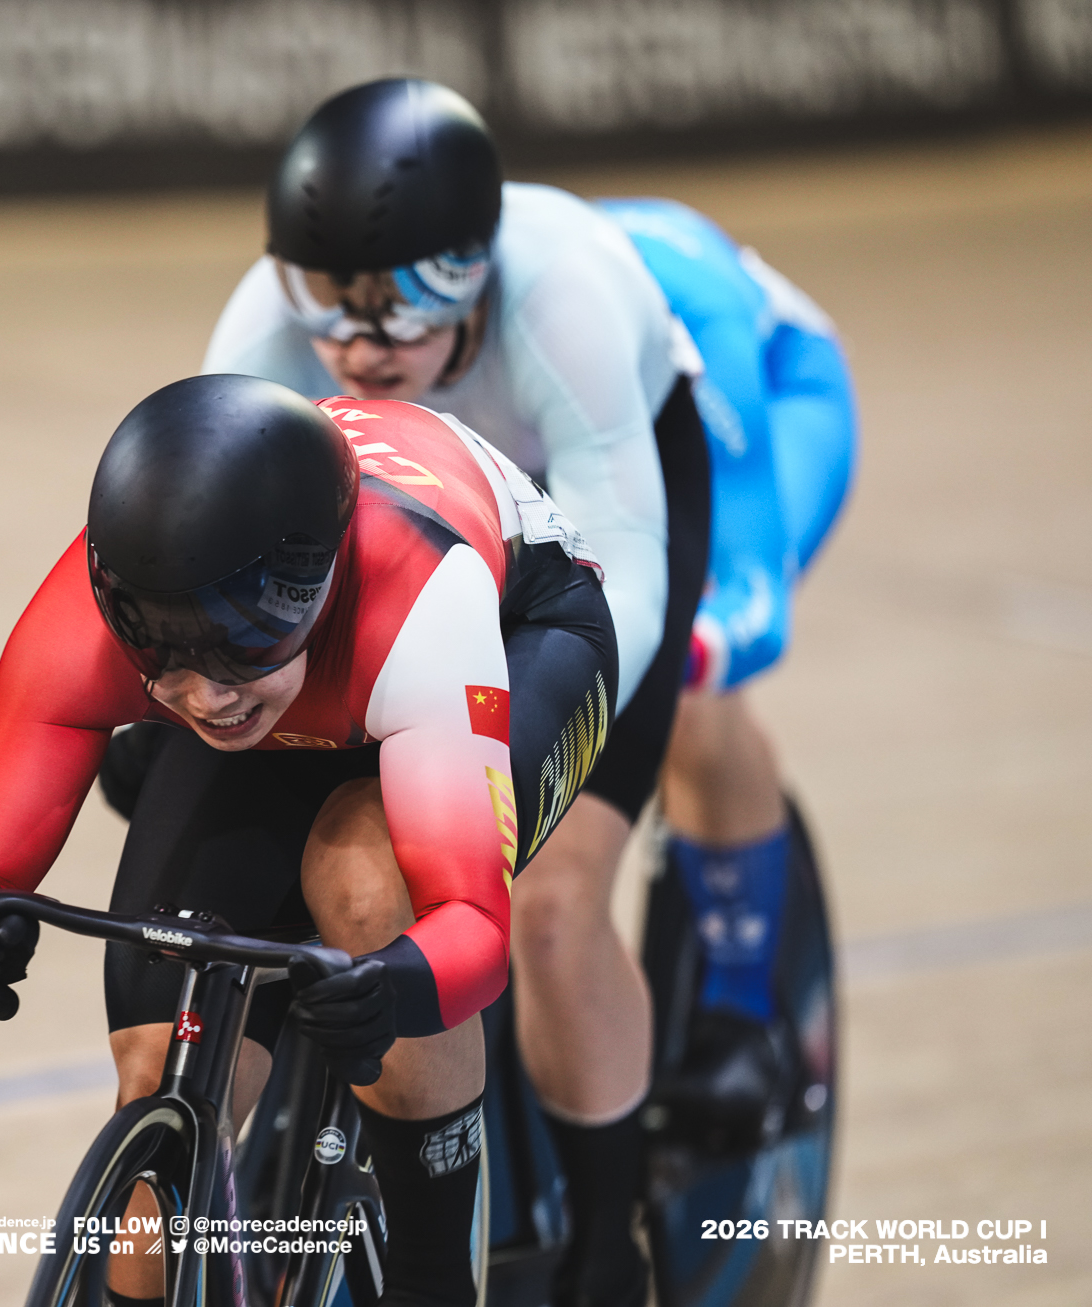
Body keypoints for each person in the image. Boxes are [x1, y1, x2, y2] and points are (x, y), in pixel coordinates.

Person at [153, 79, 715, 1307]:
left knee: (556, 899)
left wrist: (489, 720)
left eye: (409, 304)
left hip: (584, 564)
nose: (363, 342)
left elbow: (624, 574)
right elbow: (214, 535)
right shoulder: (261, 330)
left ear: (477, 274)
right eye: (329, 305)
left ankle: (607, 1245)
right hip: (412, 552)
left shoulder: (562, 299)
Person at [0, 373, 618, 1307]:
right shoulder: (88, 617)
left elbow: (471, 927)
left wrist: (398, 981)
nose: (204, 694)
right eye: (162, 650)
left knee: (365, 881)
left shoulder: (420, 609)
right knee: (156, 1067)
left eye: (248, 638)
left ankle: (434, 1274)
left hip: (521, 634)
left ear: (317, 589)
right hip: (321, 687)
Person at [593, 196, 855, 1139]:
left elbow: (750, 603)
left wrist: (680, 653)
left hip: (775, 405)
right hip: (606, 433)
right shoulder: (454, 333)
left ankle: (743, 1017)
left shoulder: (692, 309)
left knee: (694, 695)